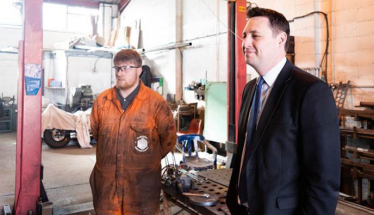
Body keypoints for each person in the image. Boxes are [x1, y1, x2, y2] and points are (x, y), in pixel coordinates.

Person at [226, 7, 340, 215]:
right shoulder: (250, 89)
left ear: (280, 40)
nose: (245, 43)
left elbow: (323, 178)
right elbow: (246, 151)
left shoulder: (310, 91)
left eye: (255, 36)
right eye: (244, 36)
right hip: (244, 208)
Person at [90, 49, 176, 214]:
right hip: (107, 187)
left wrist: (144, 160)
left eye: (126, 68)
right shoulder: (102, 101)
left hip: (142, 186)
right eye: (117, 68)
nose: (120, 73)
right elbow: (97, 133)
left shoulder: (156, 103)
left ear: (139, 70)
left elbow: (168, 140)